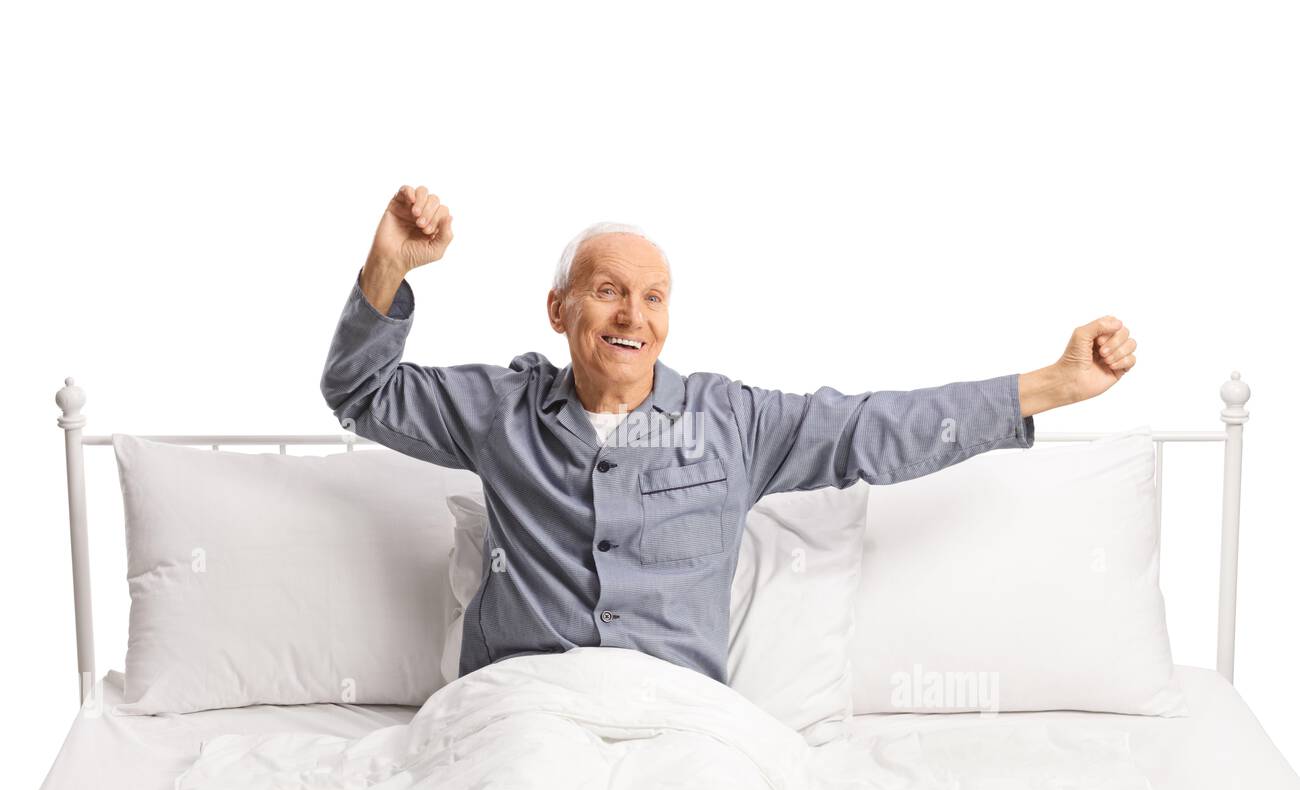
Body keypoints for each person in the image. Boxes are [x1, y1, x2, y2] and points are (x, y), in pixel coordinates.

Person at [320, 184, 1137, 683]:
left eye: (655, 297)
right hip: (522, 706)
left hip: (678, 717)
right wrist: (389, 262)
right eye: (607, 291)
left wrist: (1055, 385)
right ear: (559, 309)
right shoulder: (501, 409)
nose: (633, 317)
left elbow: (872, 429)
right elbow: (359, 392)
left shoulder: (732, 422)